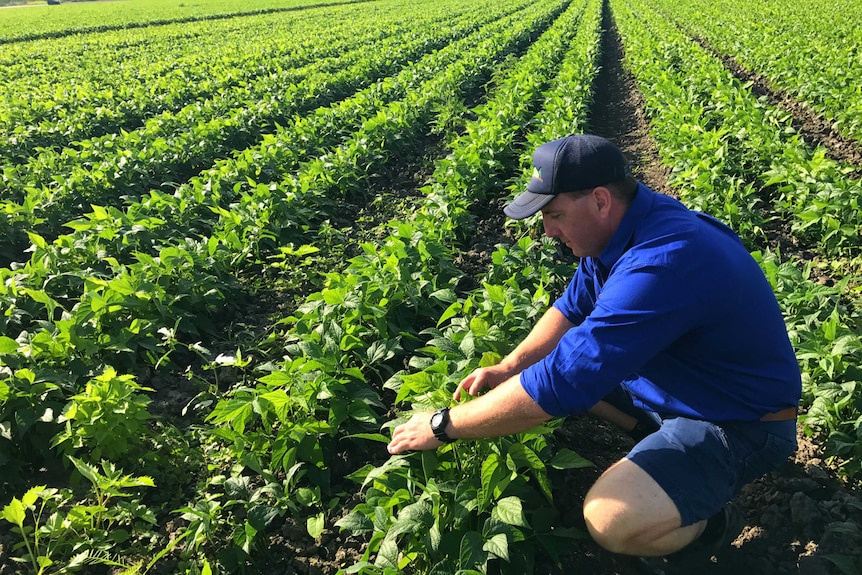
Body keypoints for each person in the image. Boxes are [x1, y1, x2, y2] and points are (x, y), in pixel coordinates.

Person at [386, 134, 801, 563]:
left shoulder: (662, 261)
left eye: (555, 214)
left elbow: (562, 381)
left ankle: (711, 522)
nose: (548, 230)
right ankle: (655, 441)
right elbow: (571, 307)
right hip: (685, 386)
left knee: (610, 519)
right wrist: (511, 366)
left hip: (738, 422)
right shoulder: (625, 226)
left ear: (600, 200)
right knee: (550, 375)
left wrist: (442, 426)